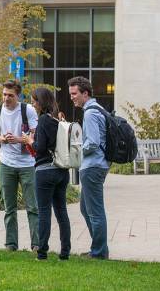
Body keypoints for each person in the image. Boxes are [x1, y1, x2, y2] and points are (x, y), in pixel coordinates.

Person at [0, 80, 39, 252]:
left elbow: (35, 134)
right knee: (9, 208)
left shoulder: (27, 110)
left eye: (10, 95)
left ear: (18, 96)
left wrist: (19, 139)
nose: (6, 98)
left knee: (32, 206)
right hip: (6, 163)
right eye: (4, 94)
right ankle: (11, 244)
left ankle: (36, 244)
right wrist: (2, 139)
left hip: (27, 164)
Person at [22, 87, 70, 261]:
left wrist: (29, 140)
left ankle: (42, 252)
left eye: (34, 100)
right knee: (61, 212)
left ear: (41, 102)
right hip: (62, 171)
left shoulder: (42, 120)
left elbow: (40, 148)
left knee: (44, 212)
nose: (33, 104)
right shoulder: (57, 120)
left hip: (45, 171)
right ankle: (65, 252)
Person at [68, 76, 110, 260]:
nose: (72, 97)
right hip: (96, 165)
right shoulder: (96, 109)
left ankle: (99, 252)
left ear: (85, 93)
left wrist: (74, 152)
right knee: (86, 209)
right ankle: (98, 248)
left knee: (95, 211)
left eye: (74, 93)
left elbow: (92, 143)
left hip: (93, 166)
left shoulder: (91, 113)